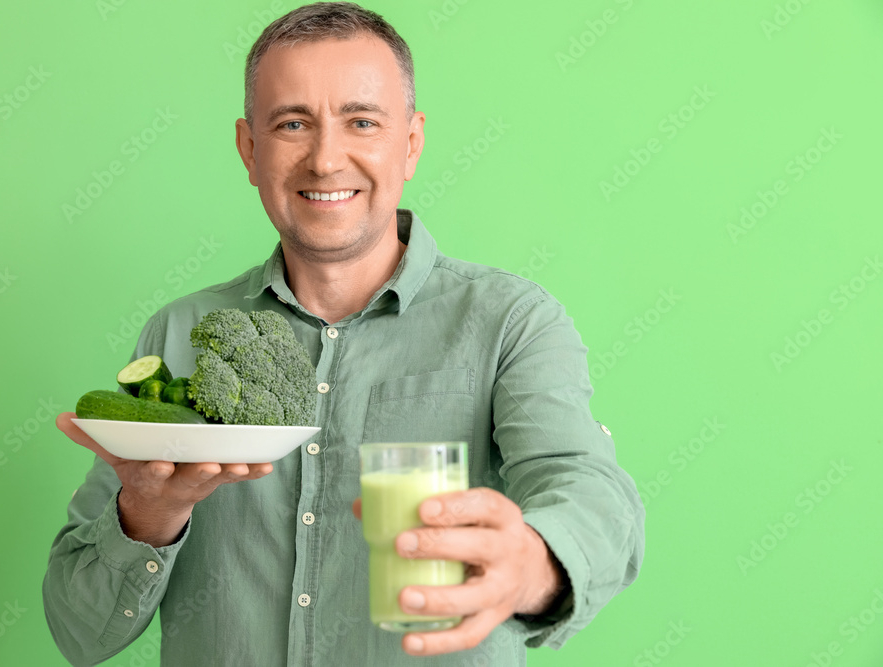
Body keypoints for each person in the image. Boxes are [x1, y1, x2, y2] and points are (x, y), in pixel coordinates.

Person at [42, 3, 645, 665]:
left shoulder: (509, 322)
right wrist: (148, 515)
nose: (326, 159)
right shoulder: (181, 332)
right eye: (293, 123)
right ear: (249, 148)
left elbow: (590, 493)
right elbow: (80, 630)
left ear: (410, 143)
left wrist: (533, 563)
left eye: (361, 121)